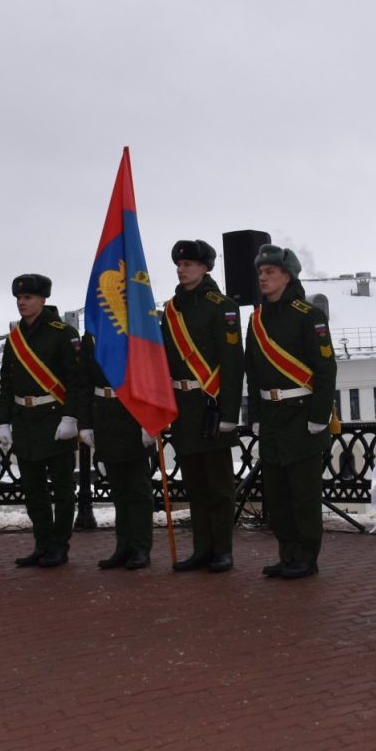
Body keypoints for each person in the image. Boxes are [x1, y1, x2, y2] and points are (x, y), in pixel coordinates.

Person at [245, 244, 337, 579]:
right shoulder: (256, 319)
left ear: (287, 276)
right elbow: (251, 372)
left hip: (301, 415)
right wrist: (253, 415)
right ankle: (287, 554)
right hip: (270, 417)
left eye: (269, 272)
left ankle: (306, 557)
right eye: (260, 273)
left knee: (303, 495)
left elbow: (325, 370)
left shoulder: (307, 315)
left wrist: (318, 415)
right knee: (278, 496)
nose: (263, 278)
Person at [160, 239, 244, 573]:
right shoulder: (170, 309)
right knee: (194, 485)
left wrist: (229, 414)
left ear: (205, 268)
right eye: (179, 265)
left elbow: (232, 363)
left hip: (210, 404)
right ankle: (201, 549)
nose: (182, 270)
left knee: (219, 486)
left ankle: (222, 550)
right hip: (183, 407)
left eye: (189, 265)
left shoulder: (221, 306)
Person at [0, 274, 83, 569]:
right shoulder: (14, 338)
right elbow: (6, 382)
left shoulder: (63, 333)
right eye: (19, 298)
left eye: (28, 298)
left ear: (42, 300)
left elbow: (75, 380)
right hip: (25, 421)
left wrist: (71, 417)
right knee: (33, 490)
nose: (22, 303)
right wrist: (3, 421)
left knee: (61, 489)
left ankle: (60, 546)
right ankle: (42, 544)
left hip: (55, 419)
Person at [77, 327, 155, 571]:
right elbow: (84, 382)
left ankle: (141, 547)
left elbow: (151, 376)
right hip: (105, 415)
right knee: (118, 489)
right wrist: (86, 424)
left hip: (133, 412)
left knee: (138, 489)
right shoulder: (92, 335)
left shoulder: (138, 328)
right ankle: (123, 546)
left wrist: (149, 420)